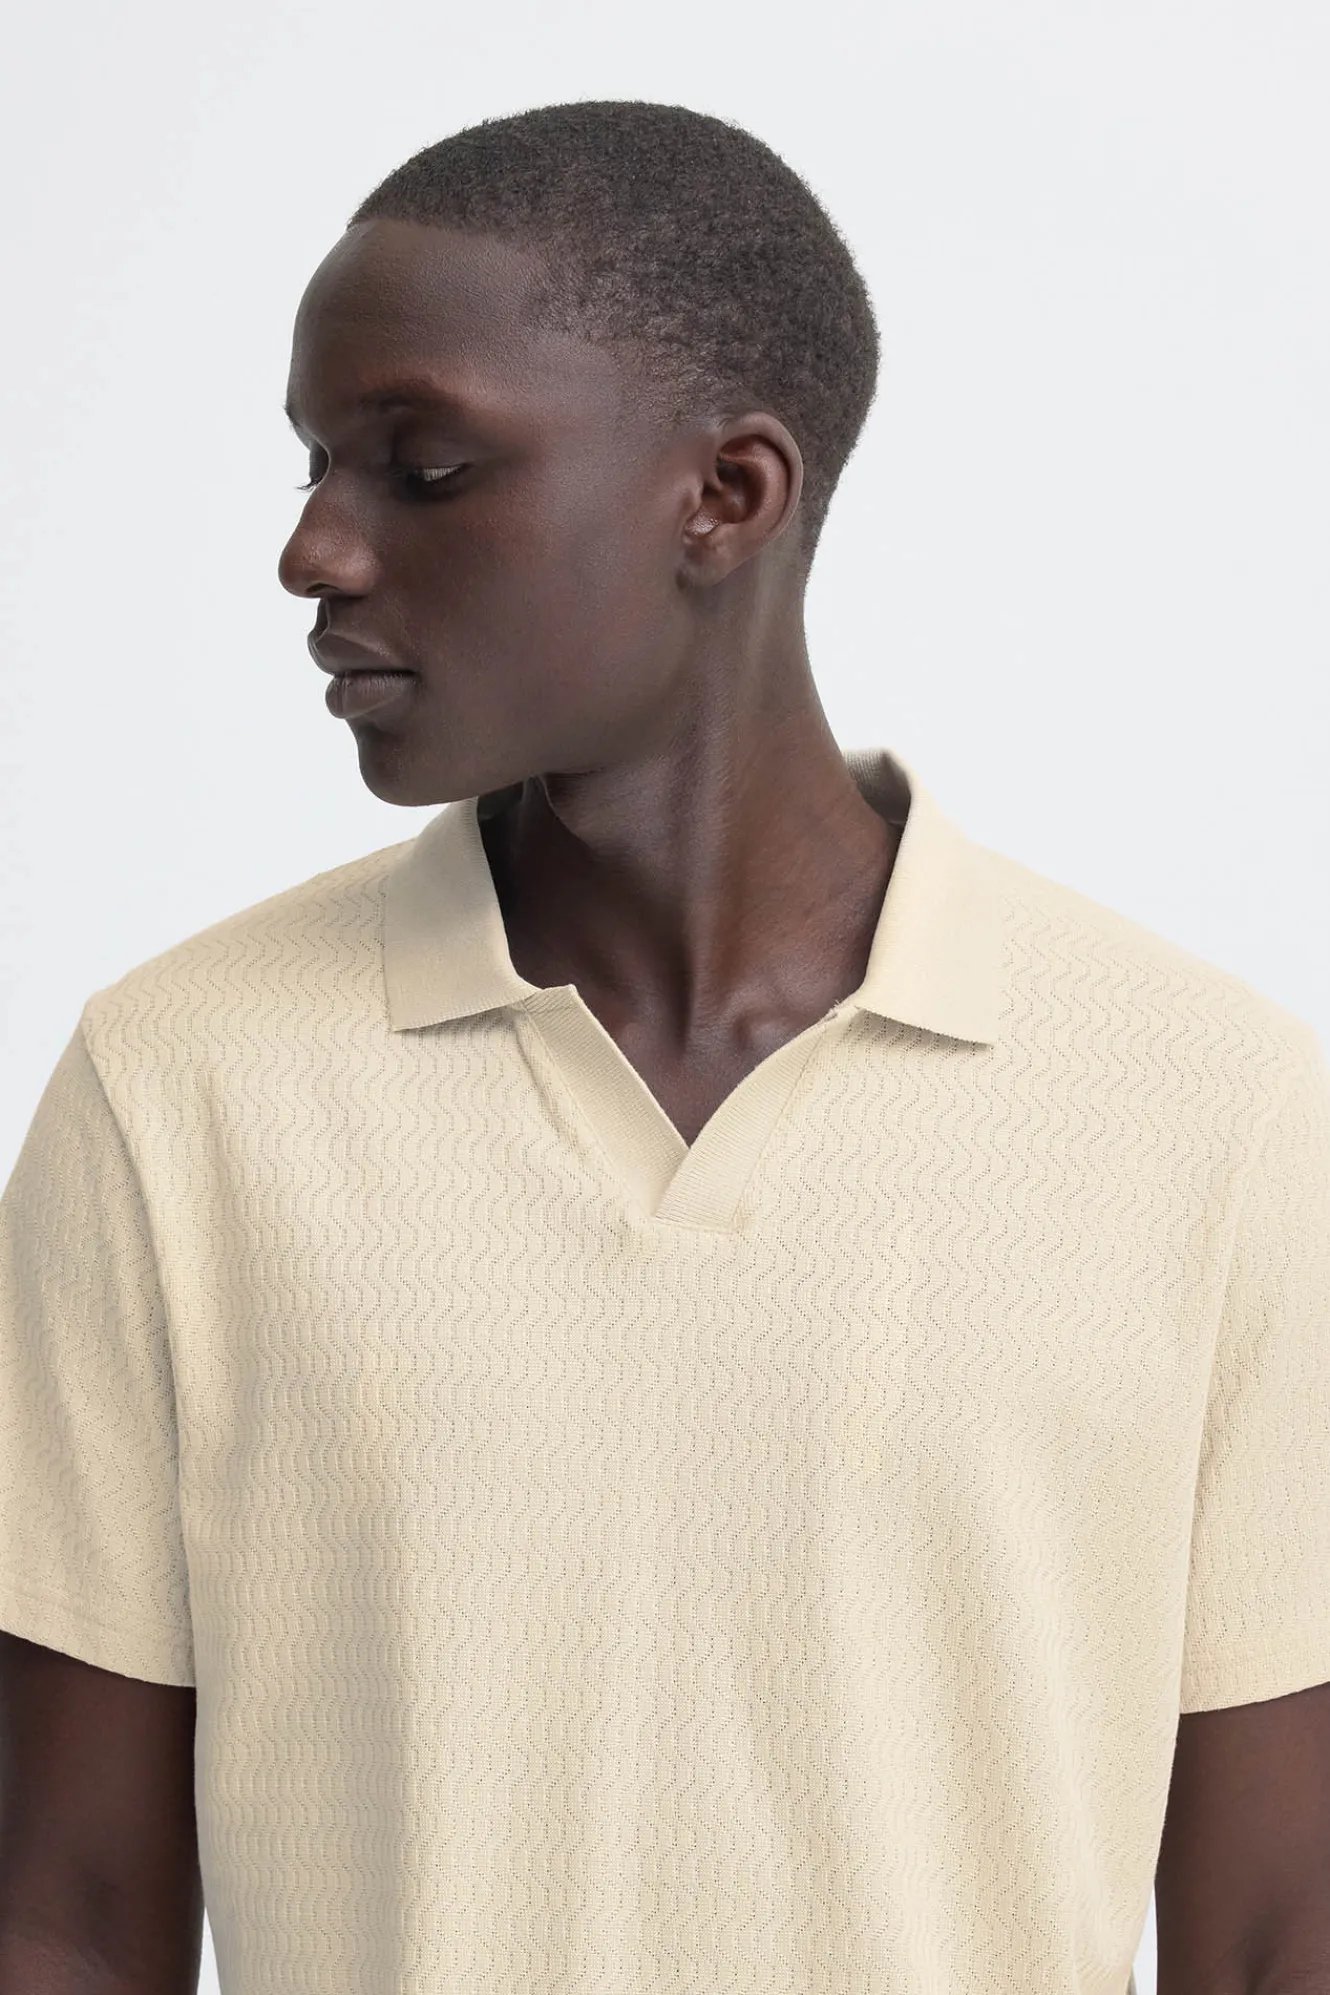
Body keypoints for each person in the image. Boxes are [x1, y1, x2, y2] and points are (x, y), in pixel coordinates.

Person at [1, 98, 1328, 1995]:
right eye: (313, 464)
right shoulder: (176, 1092)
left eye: (424, 468)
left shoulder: (1208, 1112)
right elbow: (62, 1916)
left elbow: (1279, 1936)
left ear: (726, 495)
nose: (313, 550)